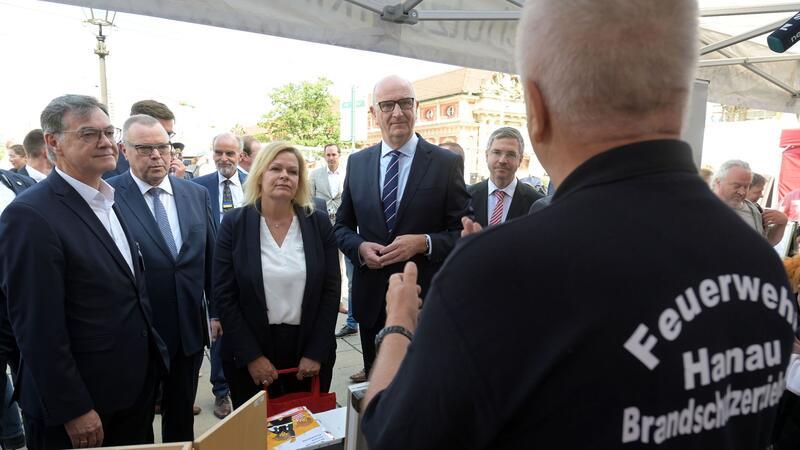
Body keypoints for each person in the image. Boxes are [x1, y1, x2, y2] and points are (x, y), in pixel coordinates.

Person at [360, 1, 796, 449]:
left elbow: (390, 436)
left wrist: (399, 322)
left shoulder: (504, 269)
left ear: (536, 105)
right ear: (681, 92)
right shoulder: (761, 264)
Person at [0, 95, 169, 450]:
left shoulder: (110, 200)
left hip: (131, 396)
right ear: (53, 142)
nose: (106, 142)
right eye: (90, 133)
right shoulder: (30, 216)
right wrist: (73, 408)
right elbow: (36, 326)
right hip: (81, 410)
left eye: (109, 132)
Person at [334, 75, 469, 383]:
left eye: (405, 103)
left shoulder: (445, 164)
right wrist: (359, 248)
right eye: (387, 105)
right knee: (376, 393)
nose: (397, 113)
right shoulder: (358, 163)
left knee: (423, 393)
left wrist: (423, 242)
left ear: (415, 107)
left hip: (423, 306)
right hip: (371, 304)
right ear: (374, 114)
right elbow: (341, 226)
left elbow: (463, 231)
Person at [108, 115, 216, 442]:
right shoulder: (109, 197)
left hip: (187, 330)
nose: (156, 155)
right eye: (144, 148)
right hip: (137, 333)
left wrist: (216, 312)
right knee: (136, 422)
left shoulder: (195, 194)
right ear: (124, 150)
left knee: (181, 415)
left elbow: (210, 259)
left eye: (162, 147)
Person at [214, 141, 340, 408]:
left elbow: (331, 292)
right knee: (257, 439)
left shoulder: (318, 224)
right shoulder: (234, 225)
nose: (285, 176)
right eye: (276, 168)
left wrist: (316, 352)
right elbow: (224, 296)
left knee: (307, 435)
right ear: (260, 175)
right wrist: (252, 357)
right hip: (252, 349)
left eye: (292, 172)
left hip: (308, 349)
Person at [192, 132, 246, 418]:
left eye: (229, 153)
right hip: (216, 272)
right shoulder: (198, 187)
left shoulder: (254, 183)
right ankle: (222, 392)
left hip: (250, 270)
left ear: (240, 155)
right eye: (218, 152)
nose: (223, 158)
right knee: (219, 331)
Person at [311, 143, 357, 337]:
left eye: (333, 154)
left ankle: (352, 319)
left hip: (344, 228)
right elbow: (310, 199)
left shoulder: (349, 173)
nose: (330, 157)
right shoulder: (315, 175)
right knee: (327, 269)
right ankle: (332, 305)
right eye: (327, 155)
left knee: (350, 274)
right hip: (323, 228)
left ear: (339, 155)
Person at [467, 127, 542, 227]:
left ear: (520, 160)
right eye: (497, 152)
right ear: (486, 156)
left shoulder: (536, 203)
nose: (502, 160)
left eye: (510, 154)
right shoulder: (466, 197)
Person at [104, 100, 188, 180]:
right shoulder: (108, 167)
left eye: (169, 134)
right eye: (161, 131)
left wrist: (175, 185)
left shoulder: (174, 167)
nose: (166, 139)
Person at [713, 160, 788, 246]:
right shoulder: (703, 210)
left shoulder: (754, 210)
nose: (742, 192)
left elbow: (766, 244)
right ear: (719, 183)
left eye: (746, 186)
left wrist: (782, 223)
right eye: (736, 186)